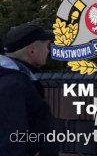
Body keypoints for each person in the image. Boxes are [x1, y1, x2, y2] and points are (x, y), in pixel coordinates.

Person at [0, 24, 58, 156]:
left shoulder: (15, 79)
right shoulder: (14, 84)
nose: (48, 51)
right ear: (32, 51)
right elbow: (10, 139)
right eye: (46, 46)